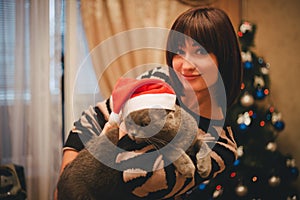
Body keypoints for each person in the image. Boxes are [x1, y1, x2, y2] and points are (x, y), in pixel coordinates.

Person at [57, 6, 242, 199]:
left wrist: (124, 132)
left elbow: (137, 178)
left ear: (223, 56)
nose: (185, 65)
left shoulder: (221, 145)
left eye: (199, 52)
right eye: (179, 51)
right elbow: (94, 118)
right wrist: (65, 182)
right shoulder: (159, 80)